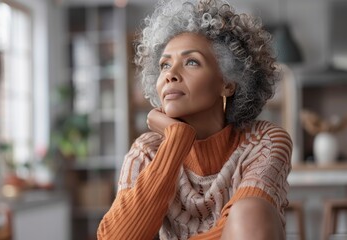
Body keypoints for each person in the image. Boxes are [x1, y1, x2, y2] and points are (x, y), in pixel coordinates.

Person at [97, 0, 292, 239]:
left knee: (249, 210)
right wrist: (176, 140)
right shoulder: (146, 151)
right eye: (164, 65)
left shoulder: (265, 141)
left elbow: (247, 227)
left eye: (191, 62)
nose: (170, 74)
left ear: (228, 83)